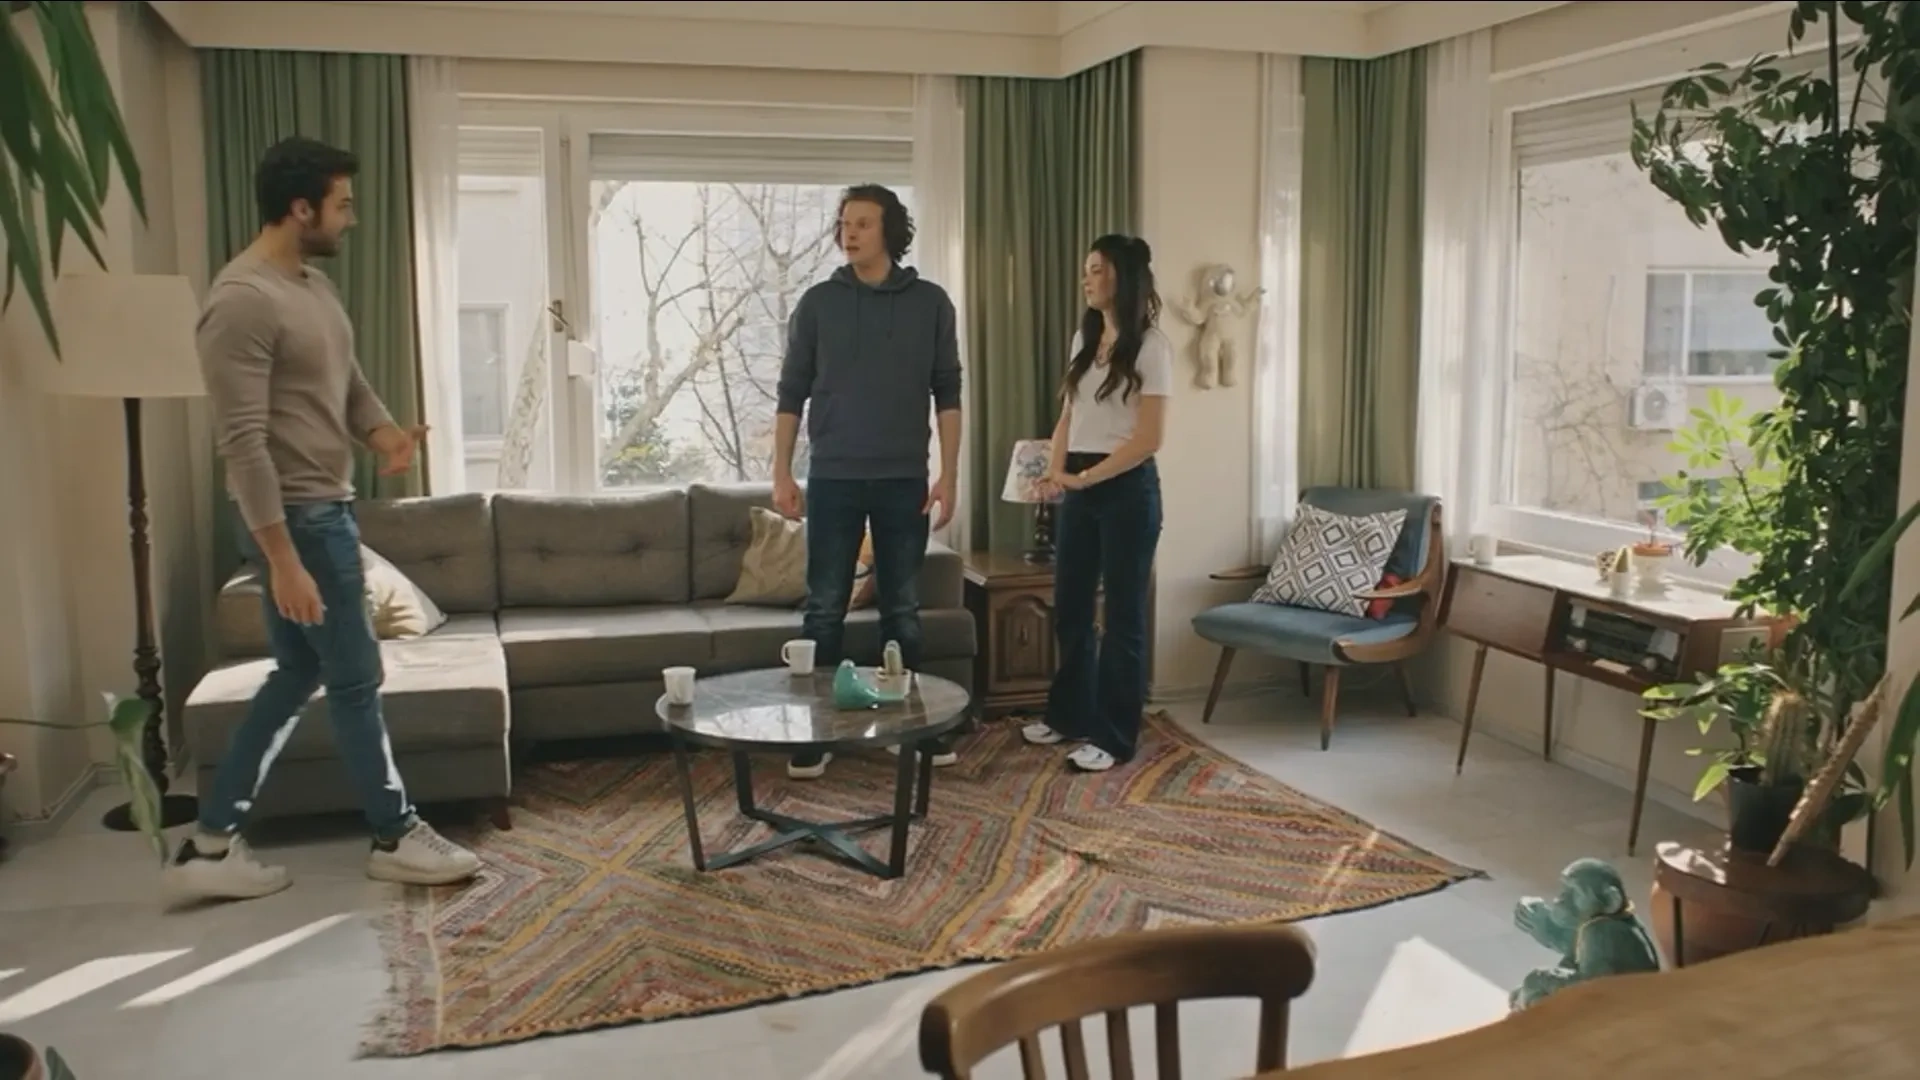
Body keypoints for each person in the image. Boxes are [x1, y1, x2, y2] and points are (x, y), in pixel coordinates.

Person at [165, 136, 483, 903]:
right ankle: (394, 835)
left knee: (300, 674)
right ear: (301, 208)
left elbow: (348, 384)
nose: (352, 218)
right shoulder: (241, 301)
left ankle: (211, 842)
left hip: (323, 509)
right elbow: (242, 444)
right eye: (343, 205)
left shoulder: (313, 287)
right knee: (355, 678)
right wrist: (281, 560)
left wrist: (385, 437)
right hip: (299, 522)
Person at [772, 183, 963, 780]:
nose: (848, 234)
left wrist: (949, 474)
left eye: (862, 224)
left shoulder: (931, 303)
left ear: (890, 231)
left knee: (902, 610)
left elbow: (948, 392)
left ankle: (911, 729)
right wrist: (780, 471)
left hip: (905, 478)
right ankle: (818, 732)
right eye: (844, 224)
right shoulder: (817, 304)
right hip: (833, 477)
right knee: (823, 609)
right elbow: (791, 392)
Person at [1022, 235, 1169, 772]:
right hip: (1081, 487)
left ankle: (1114, 736)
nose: (1086, 278)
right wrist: (1056, 471)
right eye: (1086, 269)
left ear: (1123, 277)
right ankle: (1069, 715)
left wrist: (1086, 478)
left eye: (1097, 269)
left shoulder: (1151, 346)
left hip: (1127, 488)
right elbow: (1069, 416)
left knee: (1124, 616)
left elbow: (1149, 438)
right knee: (1071, 607)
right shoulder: (1083, 341)